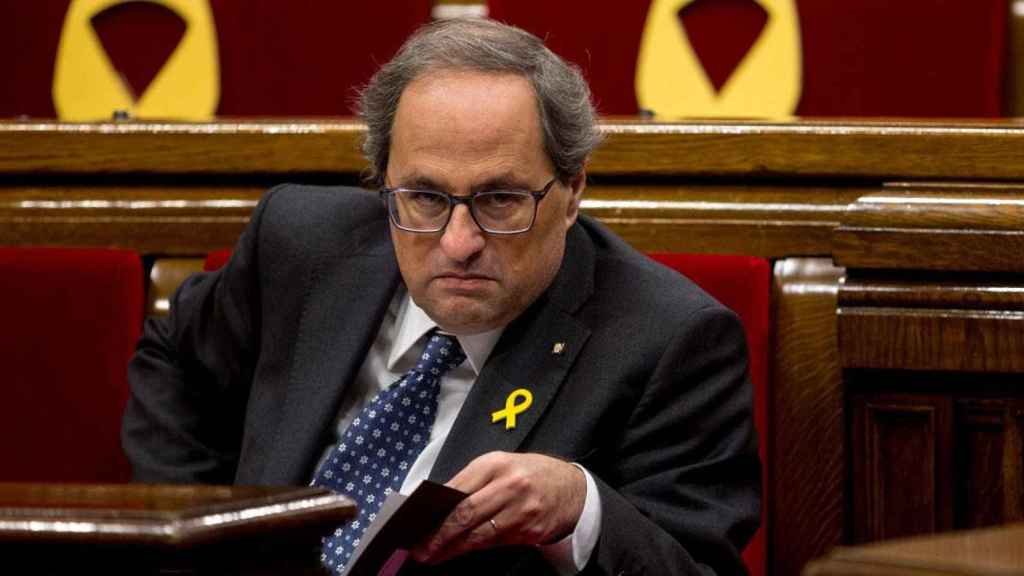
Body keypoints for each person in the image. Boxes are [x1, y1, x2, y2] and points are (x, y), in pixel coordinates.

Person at [122, 17, 760, 576]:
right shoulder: (302, 244)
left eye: (500, 200)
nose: (459, 242)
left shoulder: (670, 339)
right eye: (425, 197)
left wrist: (581, 507)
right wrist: (199, 544)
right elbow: (175, 358)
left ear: (572, 192)